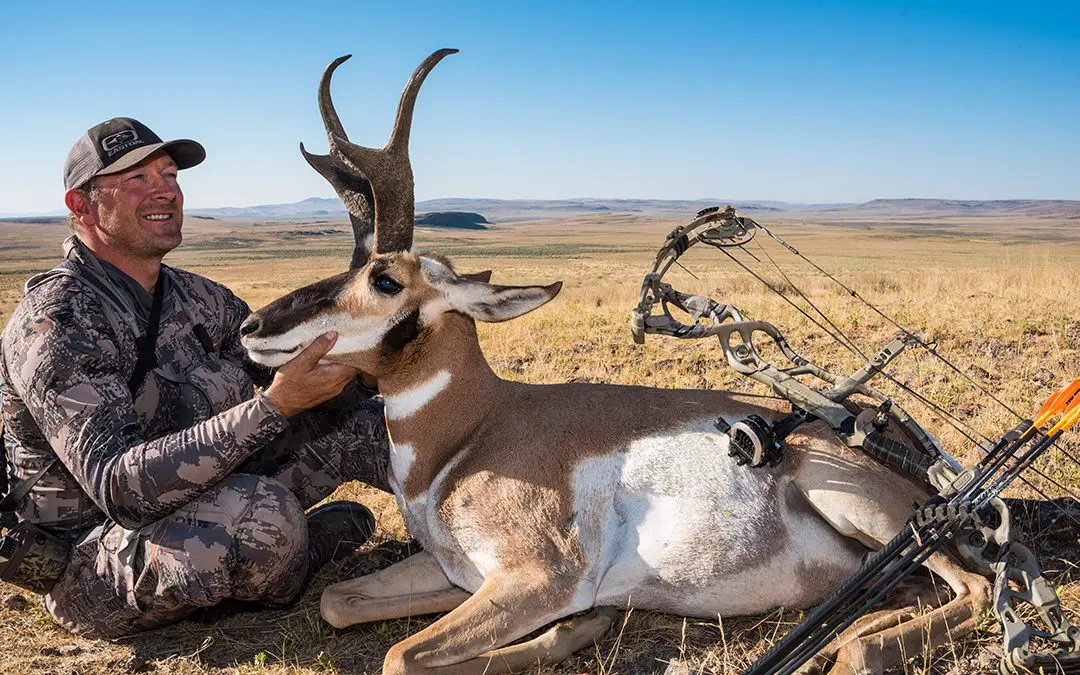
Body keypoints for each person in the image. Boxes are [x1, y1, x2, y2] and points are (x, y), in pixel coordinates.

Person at [0, 117, 392, 638]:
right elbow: (121, 488)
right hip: (97, 553)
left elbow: (290, 370)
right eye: (136, 179)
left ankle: (487, 543)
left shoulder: (202, 299)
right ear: (82, 206)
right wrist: (273, 407)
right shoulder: (57, 321)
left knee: (378, 424)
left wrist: (364, 362)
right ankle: (310, 548)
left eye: (169, 174)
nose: (164, 189)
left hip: (212, 491)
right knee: (264, 518)